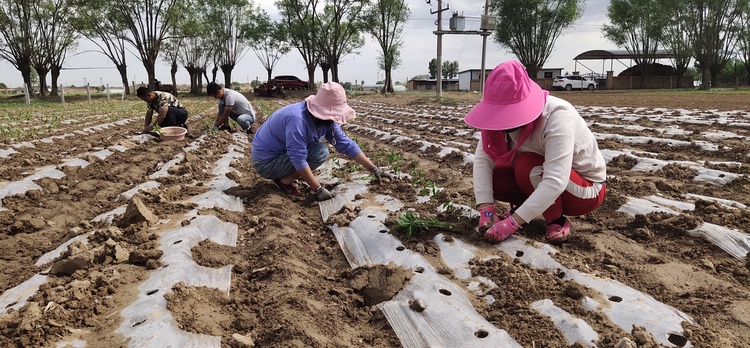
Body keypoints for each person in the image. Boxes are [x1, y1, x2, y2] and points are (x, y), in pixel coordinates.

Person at [465, 60, 607, 244]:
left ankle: (556, 220)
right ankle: (526, 210)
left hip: (585, 188)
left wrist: (512, 224)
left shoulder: (556, 116)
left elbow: (556, 180)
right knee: (496, 178)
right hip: (539, 178)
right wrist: (486, 210)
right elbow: (483, 160)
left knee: (527, 165)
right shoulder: (494, 125)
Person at [251, 82, 388, 201]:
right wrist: (318, 189)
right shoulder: (297, 119)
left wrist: (374, 169)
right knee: (320, 151)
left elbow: (345, 143)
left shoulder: (325, 121)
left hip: (280, 155)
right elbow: (298, 157)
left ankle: (287, 176)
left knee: (319, 149)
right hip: (267, 163)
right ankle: (284, 181)